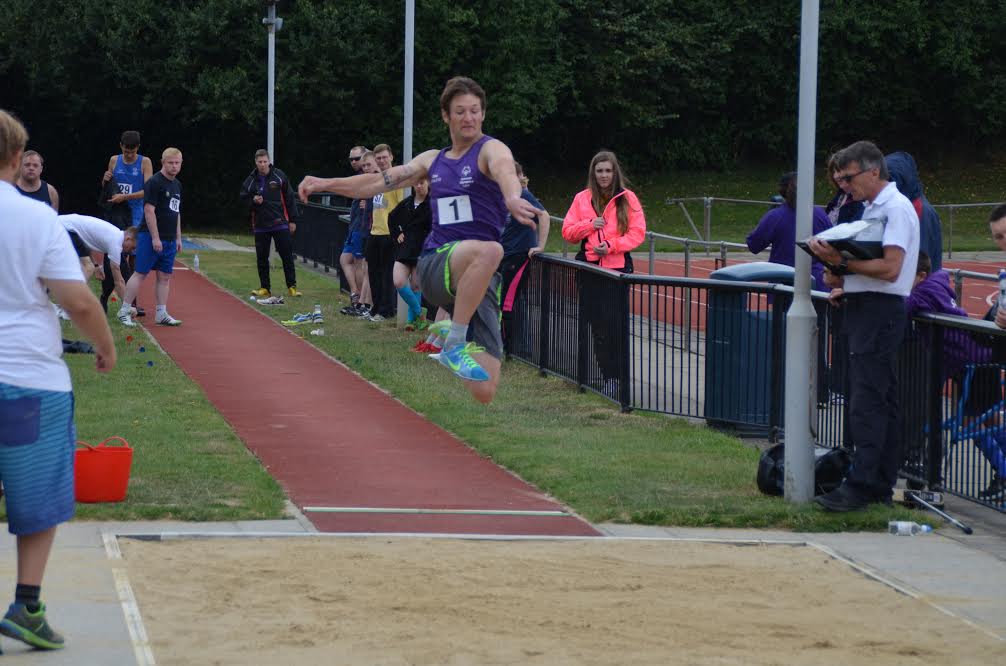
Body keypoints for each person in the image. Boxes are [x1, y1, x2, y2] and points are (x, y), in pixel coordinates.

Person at [299, 76, 541, 404]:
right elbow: (377, 183)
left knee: (484, 390)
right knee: (491, 249)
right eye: (460, 111)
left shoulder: (491, 150)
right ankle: (453, 341)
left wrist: (512, 197)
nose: (468, 118)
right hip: (436, 263)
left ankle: (453, 336)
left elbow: (505, 171)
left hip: (478, 276)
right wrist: (325, 183)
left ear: (483, 114)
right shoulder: (432, 161)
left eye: (474, 111)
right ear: (446, 116)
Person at [0, 109, 116, 652]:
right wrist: (105, 346)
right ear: (15, 157)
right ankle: (27, 604)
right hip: (28, 378)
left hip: (26, 375)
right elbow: (78, 300)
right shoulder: (36, 218)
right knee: (36, 497)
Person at [808, 140, 920, 511]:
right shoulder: (875, 207)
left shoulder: (895, 208)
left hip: (879, 311)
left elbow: (890, 269)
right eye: (840, 179)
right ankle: (877, 484)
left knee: (868, 402)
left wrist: (842, 264)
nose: (844, 185)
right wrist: (842, 276)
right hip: (868, 307)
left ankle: (863, 485)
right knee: (877, 400)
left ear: (873, 171)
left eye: (848, 177)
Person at [562, 151, 646, 394]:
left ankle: (619, 377)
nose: (604, 175)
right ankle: (608, 376)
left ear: (615, 172)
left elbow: (637, 233)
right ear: (593, 173)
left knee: (615, 325)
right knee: (597, 326)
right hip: (589, 268)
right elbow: (567, 231)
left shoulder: (627, 198)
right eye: (599, 171)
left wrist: (611, 245)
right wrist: (589, 225)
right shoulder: (582, 198)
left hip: (617, 269)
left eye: (608, 170)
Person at [118, 147, 184, 327]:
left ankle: (161, 313)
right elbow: (149, 211)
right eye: (170, 163)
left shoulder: (177, 185)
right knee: (140, 273)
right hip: (150, 236)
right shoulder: (154, 182)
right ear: (163, 162)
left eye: (177, 163)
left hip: (169, 238)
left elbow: (176, 212)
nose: (174, 166)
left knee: (165, 276)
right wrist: (155, 237)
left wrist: (178, 237)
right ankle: (124, 310)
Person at [746, 172, 833, 291]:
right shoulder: (820, 214)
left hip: (784, 284)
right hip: (818, 283)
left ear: (782, 191)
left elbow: (753, 245)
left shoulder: (775, 216)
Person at [499, 161, 549, 353]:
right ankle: (511, 346)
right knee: (504, 301)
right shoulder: (505, 196)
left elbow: (543, 215)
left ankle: (510, 349)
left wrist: (540, 246)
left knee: (508, 303)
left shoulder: (523, 195)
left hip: (518, 256)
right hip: (504, 256)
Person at [102, 131, 152, 316]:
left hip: (136, 213)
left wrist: (126, 197)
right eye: (126, 151)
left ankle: (132, 303)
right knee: (114, 256)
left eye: (132, 151)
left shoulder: (145, 162)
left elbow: (148, 191)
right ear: (121, 146)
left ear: (138, 148)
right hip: (117, 213)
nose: (129, 155)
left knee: (134, 259)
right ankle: (105, 298)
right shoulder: (114, 160)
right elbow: (107, 189)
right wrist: (105, 180)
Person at [240, 149, 302, 299]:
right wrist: (253, 201)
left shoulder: (279, 176)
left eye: (265, 161)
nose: (262, 164)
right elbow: (243, 199)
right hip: (260, 225)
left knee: (287, 256)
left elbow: (290, 198)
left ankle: (292, 287)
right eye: (259, 162)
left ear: (269, 161)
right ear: (255, 162)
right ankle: (265, 288)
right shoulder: (250, 180)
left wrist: (293, 220)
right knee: (262, 258)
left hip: (280, 223)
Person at [58, 214, 138, 309]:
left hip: (64, 226)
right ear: (128, 239)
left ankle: (62, 304)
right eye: (133, 247)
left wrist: (96, 265)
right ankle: (66, 307)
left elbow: (85, 242)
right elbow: (118, 282)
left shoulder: (115, 233)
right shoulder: (116, 244)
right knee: (87, 268)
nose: (132, 251)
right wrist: (127, 308)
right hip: (65, 228)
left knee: (76, 268)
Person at [364, 144, 405, 321]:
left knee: (387, 273)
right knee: (373, 272)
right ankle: (376, 308)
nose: (381, 161)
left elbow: (402, 206)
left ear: (391, 157)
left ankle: (387, 310)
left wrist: (400, 230)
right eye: (378, 158)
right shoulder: (377, 180)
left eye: (384, 157)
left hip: (390, 233)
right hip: (375, 232)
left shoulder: (397, 180)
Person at [886, 151, 943, 272]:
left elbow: (921, 259)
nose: (888, 185)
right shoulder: (908, 203)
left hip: (920, 279)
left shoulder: (919, 209)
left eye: (891, 179)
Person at [389, 176, 432, 329]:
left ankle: (410, 322)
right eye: (416, 183)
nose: (419, 186)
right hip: (405, 249)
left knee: (416, 286)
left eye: (422, 183)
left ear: (428, 183)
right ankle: (420, 313)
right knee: (398, 281)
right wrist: (397, 234)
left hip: (423, 249)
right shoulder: (407, 203)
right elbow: (391, 217)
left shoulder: (433, 204)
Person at [340, 148, 375, 316]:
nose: (353, 162)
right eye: (351, 159)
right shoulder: (361, 176)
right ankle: (356, 294)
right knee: (345, 259)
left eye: (357, 158)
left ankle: (361, 301)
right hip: (354, 226)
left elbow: (381, 200)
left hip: (363, 227)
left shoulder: (372, 176)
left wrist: (368, 204)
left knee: (360, 263)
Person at [823, 152, 865, 225]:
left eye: (839, 170)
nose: (835, 176)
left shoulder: (861, 201)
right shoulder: (841, 194)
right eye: (834, 171)